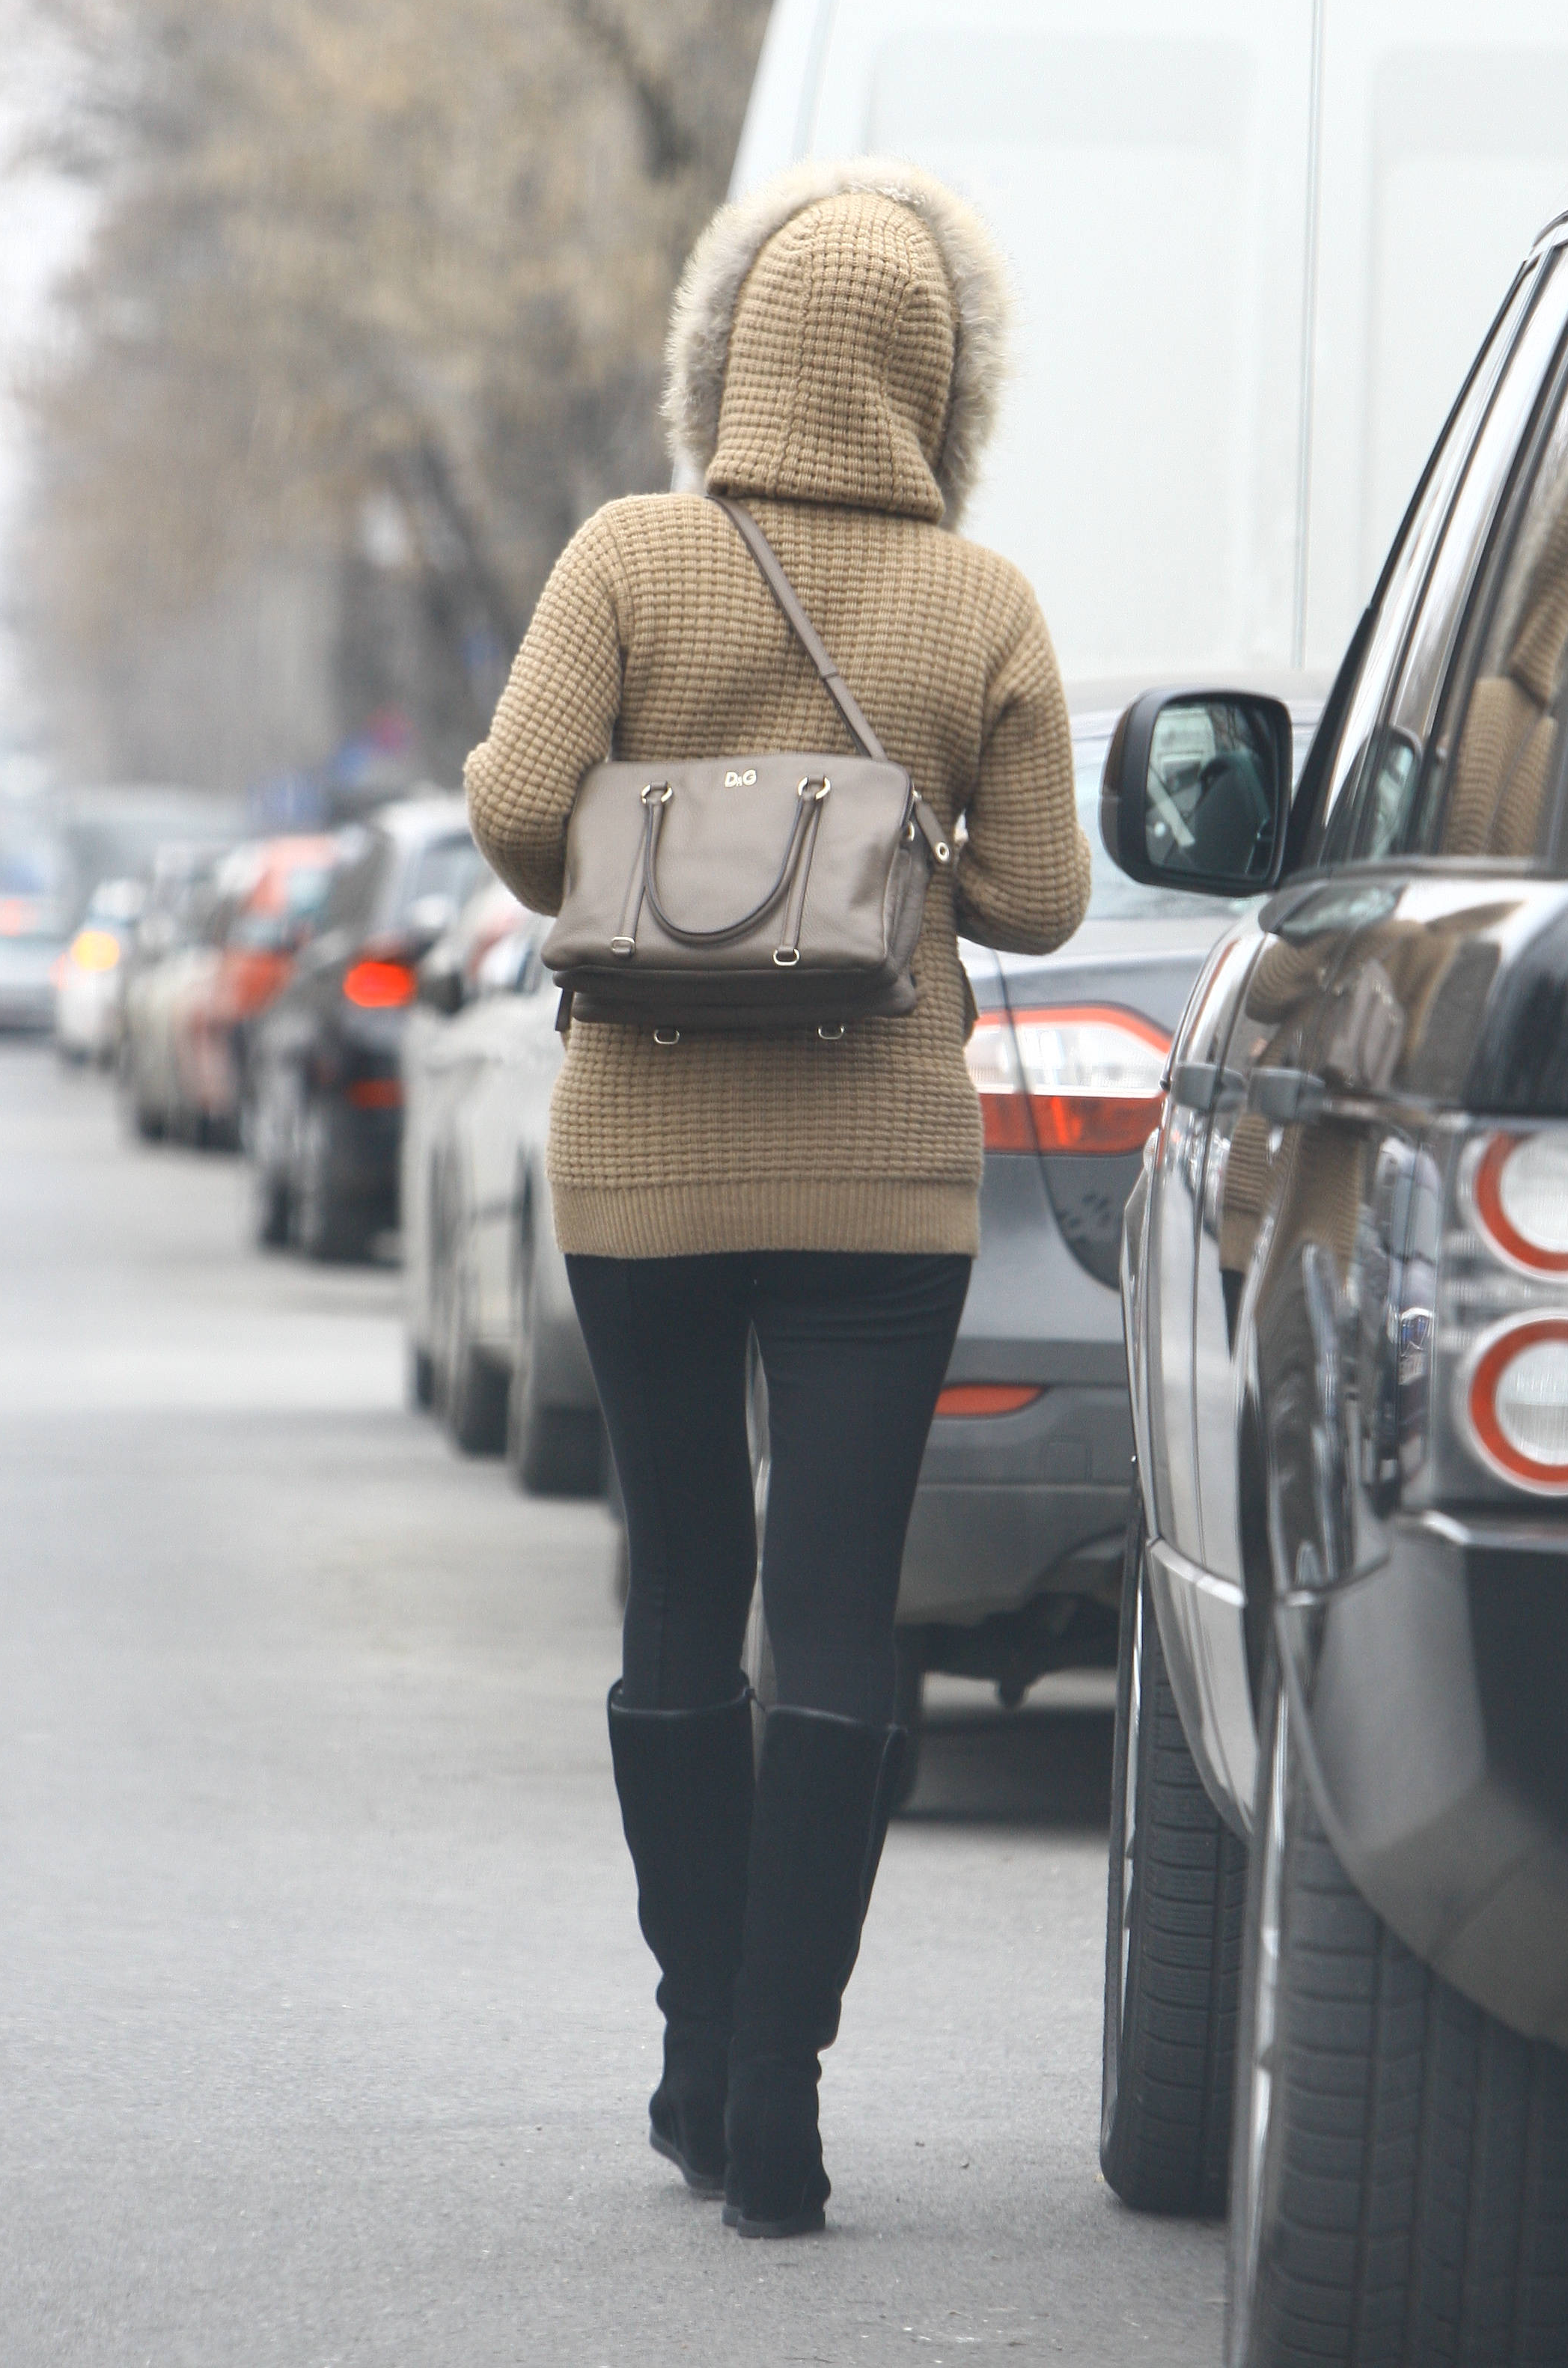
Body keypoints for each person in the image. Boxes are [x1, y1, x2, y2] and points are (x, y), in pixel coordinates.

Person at [463, 159, 1090, 2239]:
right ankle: (783, 2089)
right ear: (940, 384)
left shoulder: (630, 555)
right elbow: (1041, 897)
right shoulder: (982, 602)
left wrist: (664, 825)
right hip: (881, 1180)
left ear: (727, 354)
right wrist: (901, 824)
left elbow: (519, 815)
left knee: (677, 1590)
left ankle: (690, 2050)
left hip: (642, 1164)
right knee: (836, 1609)